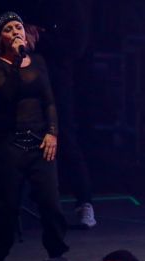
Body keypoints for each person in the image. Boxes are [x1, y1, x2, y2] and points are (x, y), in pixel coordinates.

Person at [0, 11, 69, 261]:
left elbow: (49, 100)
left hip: (40, 143)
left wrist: (52, 132)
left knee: (52, 207)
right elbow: (5, 96)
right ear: (2, 38)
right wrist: (18, 60)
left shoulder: (39, 62)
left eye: (18, 26)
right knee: (6, 210)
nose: (16, 31)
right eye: (9, 28)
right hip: (8, 145)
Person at [25, 0, 96, 228]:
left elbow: (76, 46)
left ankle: (84, 202)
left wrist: (42, 37)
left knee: (65, 137)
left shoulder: (74, 6)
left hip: (58, 82)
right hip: (28, 78)